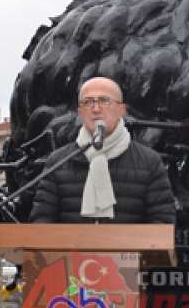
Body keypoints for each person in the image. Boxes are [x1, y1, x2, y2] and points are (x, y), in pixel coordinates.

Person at [29, 77, 176, 224]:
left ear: (122, 110)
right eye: (88, 102)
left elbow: (162, 223)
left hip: (130, 247)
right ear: (80, 113)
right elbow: (41, 223)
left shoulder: (149, 162)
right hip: (71, 247)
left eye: (104, 101)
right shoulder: (58, 162)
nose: (96, 108)